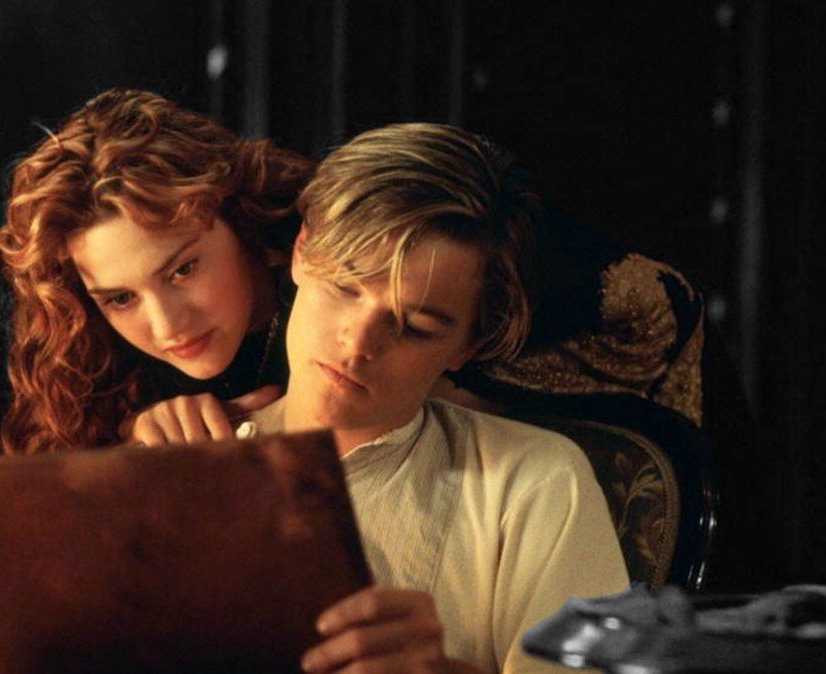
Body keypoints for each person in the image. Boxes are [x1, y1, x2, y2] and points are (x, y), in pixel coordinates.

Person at [241, 123, 630, 673]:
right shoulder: (186, 449)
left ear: (467, 346)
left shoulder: (533, 484)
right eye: (345, 287)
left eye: (414, 326)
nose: (358, 343)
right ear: (303, 250)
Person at [0, 89, 314, 454]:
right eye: (121, 298)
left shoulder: (341, 294)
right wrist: (133, 448)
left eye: (182, 270)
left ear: (238, 215)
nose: (167, 327)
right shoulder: (93, 359)